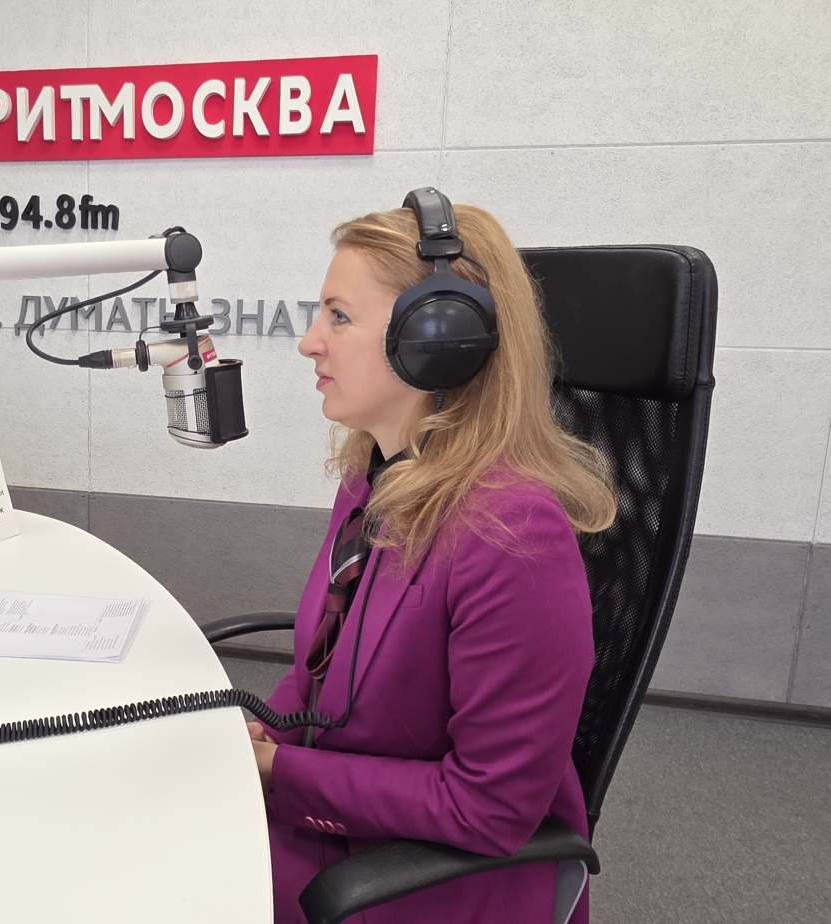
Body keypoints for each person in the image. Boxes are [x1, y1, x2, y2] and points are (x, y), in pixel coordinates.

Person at [250, 192, 615, 924]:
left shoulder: (514, 534)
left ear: (438, 341)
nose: (309, 342)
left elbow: (489, 808)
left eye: (339, 317)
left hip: (420, 877)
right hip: (338, 813)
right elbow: (318, 668)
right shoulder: (374, 475)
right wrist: (268, 732)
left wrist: (279, 772)